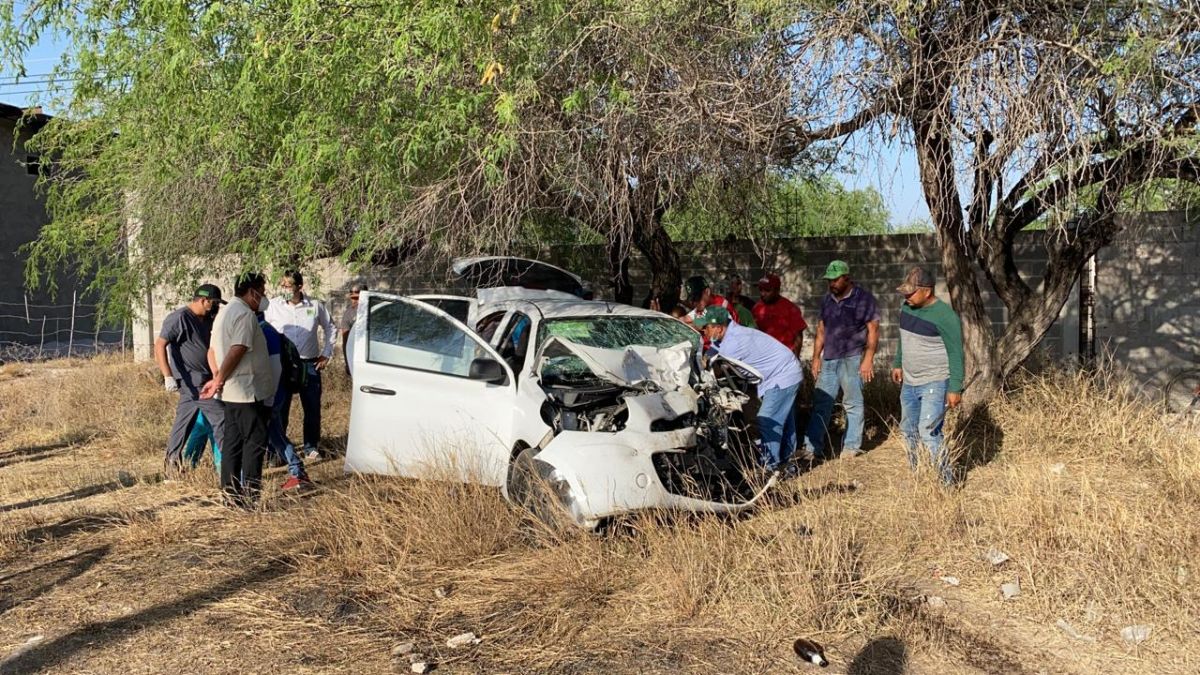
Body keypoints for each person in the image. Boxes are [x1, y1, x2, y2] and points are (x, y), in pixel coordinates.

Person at [694, 306, 803, 475]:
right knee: (783, 421)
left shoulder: (733, 344)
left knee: (768, 420)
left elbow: (715, 371)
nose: (703, 332)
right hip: (782, 371)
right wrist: (707, 355)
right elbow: (714, 348)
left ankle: (769, 468)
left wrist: (703, 369)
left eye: (706, 327)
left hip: (782, 376)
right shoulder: (728, 333)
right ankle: (788, 464)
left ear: (719, 328)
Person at [201, 272, 274, 508]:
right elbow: (238, 348)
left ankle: (230, 494)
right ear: (251, 291)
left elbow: (211, 351)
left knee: (233, 441)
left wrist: (216, 378)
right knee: (254, 441)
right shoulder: (244, 314)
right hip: (245, 391)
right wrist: (219, 378)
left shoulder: (224, 313)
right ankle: (251, 496)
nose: (263, 296)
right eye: (261, 291)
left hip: (230, 392)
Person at [891, 267, 964, 485]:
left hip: (934, 381)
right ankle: (918, 477)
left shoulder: (945, 316)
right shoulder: (907, 307)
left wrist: (955, 388)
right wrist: (898, 363)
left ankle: (946, 482)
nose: (906, 296)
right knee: (908, 431)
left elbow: (956, 353)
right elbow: (903, 338)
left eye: (911, 292)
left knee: (928, 432)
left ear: (927, 291)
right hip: (909, 382)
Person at [804, 260, 881, 460]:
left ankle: (851, 447)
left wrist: (868, 359)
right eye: (829, 280)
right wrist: (815, 358)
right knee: (821, 403)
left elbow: (873, 330)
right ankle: (812, 449)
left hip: (853, 358)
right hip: (829, 358)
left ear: (846, 277)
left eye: (835, 280)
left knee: (853, 403)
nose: (832, 284)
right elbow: (821, 330)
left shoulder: (863, 299)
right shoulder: (827, 300)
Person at [154, 284, 226, 476]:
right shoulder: (179, 318)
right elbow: (160, 345)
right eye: (214, 303)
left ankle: (171, 466)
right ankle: (230, 466)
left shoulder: (206, 319)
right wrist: (168, 376)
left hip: (206, 380)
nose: (216, 307)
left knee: (183, 424)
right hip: (194, 383)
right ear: (203, 300)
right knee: (222, 419)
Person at [265, 270, 335, 461]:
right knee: (280, 408)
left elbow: (330, 327)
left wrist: (326, 353)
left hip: (309, 364)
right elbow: (262, 329)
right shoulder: (273, 306)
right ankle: (278, 450)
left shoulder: (315, 305)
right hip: (283, 365)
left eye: (289, 285)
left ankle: (311, 446)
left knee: (312, 407)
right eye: (283, 285)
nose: (285, 289)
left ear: (299, 287)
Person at [258, 310, 315, 491]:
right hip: (275, 393)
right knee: (276, 434)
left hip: (270, 394)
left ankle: (296, 471)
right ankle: (297, 471)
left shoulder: (264, 332)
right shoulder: (268, 330)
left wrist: (269, 399)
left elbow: (274, 367)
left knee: (264, 434)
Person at [752, 273, 808, 357]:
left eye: (767, 290)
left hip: (784, 357)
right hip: (763, 357)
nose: (763, 293)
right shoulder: (756, 308)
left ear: (777, 290)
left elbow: (798, 336)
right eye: (760, 290)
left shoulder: (790, 308)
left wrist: (795, 358)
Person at [338, 282, 367, 374]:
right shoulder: (348, 314)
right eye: (352, 298)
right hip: (358, 359)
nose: (354, 301)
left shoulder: (375, 309)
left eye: (357, 298)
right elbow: (345, 341)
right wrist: (347, 363)